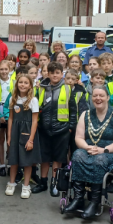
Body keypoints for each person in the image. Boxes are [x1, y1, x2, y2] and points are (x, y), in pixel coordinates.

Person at [63, 86, 113, 219]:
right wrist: (87, 147)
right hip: (91, 150)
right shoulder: (85, 114)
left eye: (101, 95)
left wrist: (104, 150)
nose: (98, 98)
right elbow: (79, 138)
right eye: (95, 96)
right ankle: (78, 198)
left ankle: (95, 201)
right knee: (77, 155)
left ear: (108, 97)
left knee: (100, 159)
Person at [33, 61, 78, 195]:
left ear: (62, 74)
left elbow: (73, 110)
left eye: (57, 73)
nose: (54, 75)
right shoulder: (41, 88)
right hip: (44, 129)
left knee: (58, 158)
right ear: (47, 74)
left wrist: (70, 127)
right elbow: (36, 107)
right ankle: (43, 182)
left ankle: (55, 183)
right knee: (44, 157)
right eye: (51, 73)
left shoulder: (67, 89)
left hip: (62, 130)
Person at [5, 74, 41, 199]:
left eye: (26, 83)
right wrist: (9, 136)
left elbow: (35, 121)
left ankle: (26, 186)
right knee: (13, 158)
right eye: (21, 82)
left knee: (27, 160)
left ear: (30, 86)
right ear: (17, 84)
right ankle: (11, 183)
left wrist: (31, 140)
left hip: (27, 132)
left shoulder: (33, 100)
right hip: (15, 131)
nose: (23, 85)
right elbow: (11, 118)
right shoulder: (13, 99)